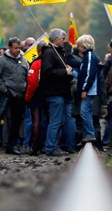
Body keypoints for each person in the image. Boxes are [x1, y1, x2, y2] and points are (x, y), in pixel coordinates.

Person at [0, 37, 29, 155]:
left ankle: (11, 146)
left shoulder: (24, 60)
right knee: (0, 112)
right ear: (10, 48)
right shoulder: (2, 60)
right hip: (7, 93)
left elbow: (26, 76)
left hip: (20, 95)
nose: (18, 50)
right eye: (15, 48)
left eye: (19, 48)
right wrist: (4, 89)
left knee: (16, 121)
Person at [41, 28, 73, 156]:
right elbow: (48, 72)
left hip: (60, 92)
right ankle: (51, 147)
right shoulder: (49, 52)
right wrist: (64, 72)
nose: (64, 41)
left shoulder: (58, 52)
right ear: (56, 39)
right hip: (54, 92)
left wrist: (67, 70)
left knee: (57, 121)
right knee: (55, 121)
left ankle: (54, 146)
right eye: (62, 38)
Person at [76, 34, 105, 150]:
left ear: (83, 46)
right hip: (90, 89)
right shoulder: (89, 57)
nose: (78, 48)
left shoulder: (88, 57)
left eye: (79, 46)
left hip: (89, 90)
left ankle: (90, 134)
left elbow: (89, 74)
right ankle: (89, 134)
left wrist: (84, 89)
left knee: (84, 111)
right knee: (85, 111)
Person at [25, 40, 47, 155]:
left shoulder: (36, 63)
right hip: (50, 95)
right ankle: (45, 145)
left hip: (37, 96)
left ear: (38, 51)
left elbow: (32, 82)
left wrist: (28, 97)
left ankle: (35, 145)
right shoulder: (52, 62)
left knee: (36, 121)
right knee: (48, 121)